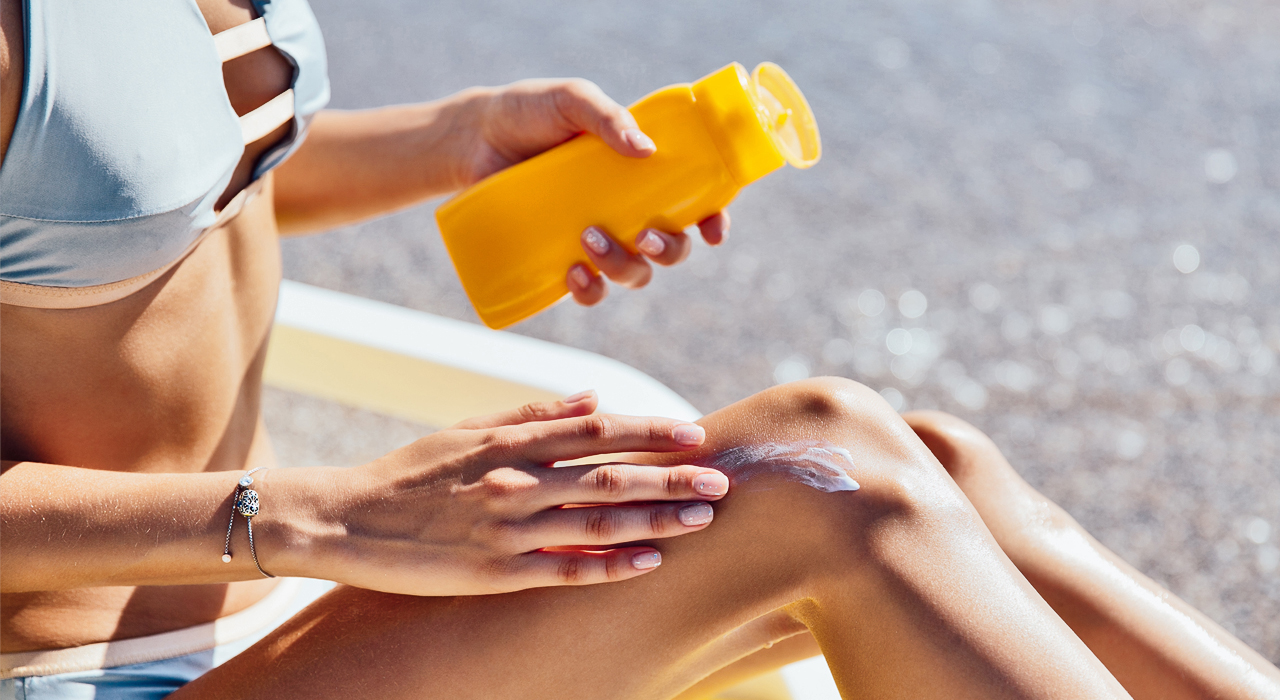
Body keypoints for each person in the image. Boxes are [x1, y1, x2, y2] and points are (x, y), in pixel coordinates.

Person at [2, 2, 1277, 699]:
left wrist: (453, 139)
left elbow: (145, 184)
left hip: (275, 612)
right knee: (821, 482)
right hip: (88, 674)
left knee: (941, 466)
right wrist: (315, 515)